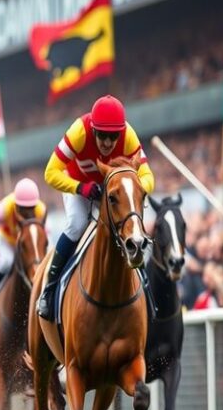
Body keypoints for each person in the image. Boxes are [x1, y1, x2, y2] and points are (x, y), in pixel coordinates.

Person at [36, 94, 155, 320]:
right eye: (102, 135)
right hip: (77, 185)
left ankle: (145, 287)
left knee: (131, 231)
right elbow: (50, 173)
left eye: (113, 136)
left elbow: (148, 176)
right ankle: (50, 289)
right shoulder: (78, 132)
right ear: (92, 129)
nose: (108, 143)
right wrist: (81, 188)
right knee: (77, 224)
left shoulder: (129, 135)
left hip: (112, 191)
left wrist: (135, 186)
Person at [0, 178, 46, 297]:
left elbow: (44, 235)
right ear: (16, 206)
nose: (27, 213)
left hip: (26, 245)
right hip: (7, 241)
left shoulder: (41, 210)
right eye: (23, 209)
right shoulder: (4, 208)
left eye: (31, 208)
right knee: (6, 263)